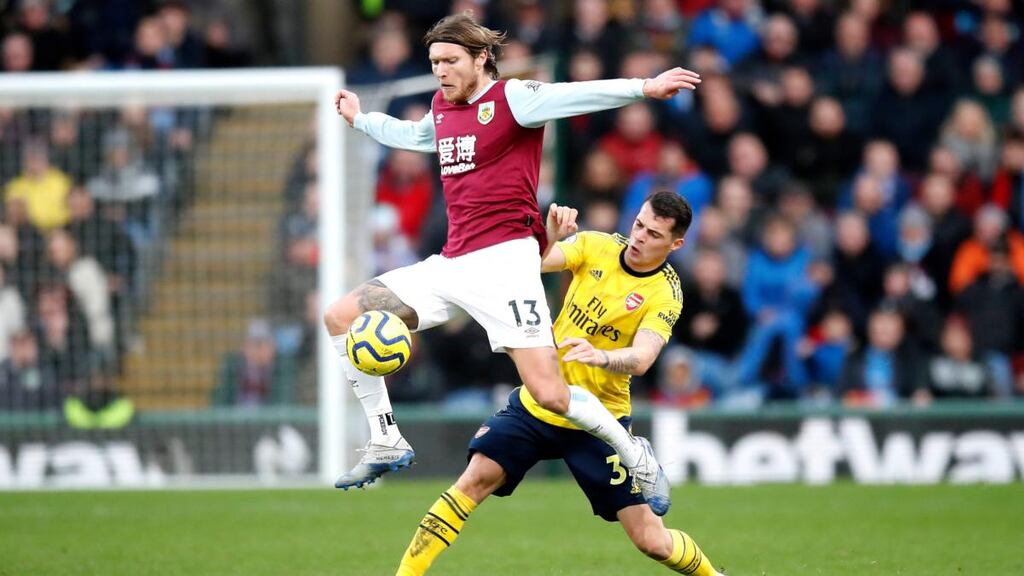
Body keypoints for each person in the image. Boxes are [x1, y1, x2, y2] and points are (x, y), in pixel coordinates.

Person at [327, 12, 701, 495]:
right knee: (339, 316)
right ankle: (385, 439)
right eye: (435, 61)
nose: (440, 71)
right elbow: (418, 137)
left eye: (450, 60)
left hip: (507, 264)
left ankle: (634, 454)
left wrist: (644, 87)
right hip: (452, 262)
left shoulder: (514, 99)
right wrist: (362, 120)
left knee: (549, 394)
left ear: (481, 58)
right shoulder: (443, 106)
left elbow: (573, 96)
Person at [394, 191, 724, 576]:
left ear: (675, 243)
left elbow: (643, 358)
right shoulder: (596, 245)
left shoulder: (666, 293)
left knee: (651, 540)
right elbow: (528, 267)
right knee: (474, 480)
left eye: (653, 234)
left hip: (600, 421)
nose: (638, 238)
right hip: (541, 398)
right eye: (638, 225)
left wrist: (601, 356)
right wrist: (549, 236)